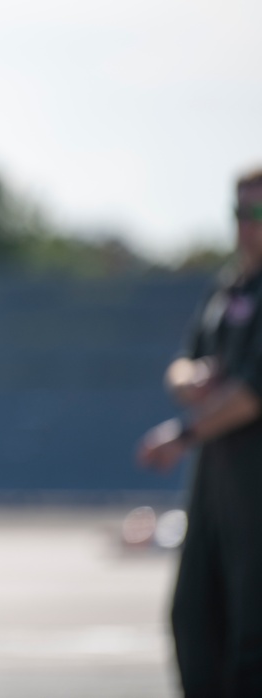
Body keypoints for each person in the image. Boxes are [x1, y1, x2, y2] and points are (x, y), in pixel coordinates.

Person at [138, 168, 262, 697]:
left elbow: (251, 395)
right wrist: (191, 380)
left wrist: (184, 434)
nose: (245, 226)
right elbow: (183, 363)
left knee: (250, 638)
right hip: (216, 488)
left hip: (257, 491)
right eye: (238, 213)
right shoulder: (228, 286)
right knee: (194, 619)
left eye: (255, 214)